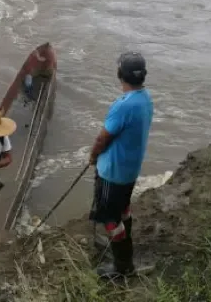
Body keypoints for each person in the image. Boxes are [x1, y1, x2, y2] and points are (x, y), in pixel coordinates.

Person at [88, 52, 153, 278]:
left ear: (120, 75)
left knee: (109, 218)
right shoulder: (145, 99)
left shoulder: (123, 106)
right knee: (123, 209)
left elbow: (102, 138)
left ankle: (122, 266)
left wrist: (93, 156)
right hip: (129, 171)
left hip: (112, 173)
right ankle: (125, 250)